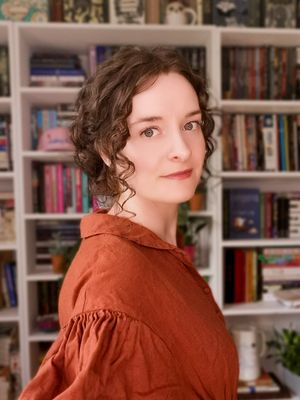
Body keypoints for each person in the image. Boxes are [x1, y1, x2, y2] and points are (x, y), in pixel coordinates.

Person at [20, 46, 239, 399]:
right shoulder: (115, 286)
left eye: (190, 124)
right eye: (150, 131)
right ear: (108, 149)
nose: (182, 148)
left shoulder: (154, 251)